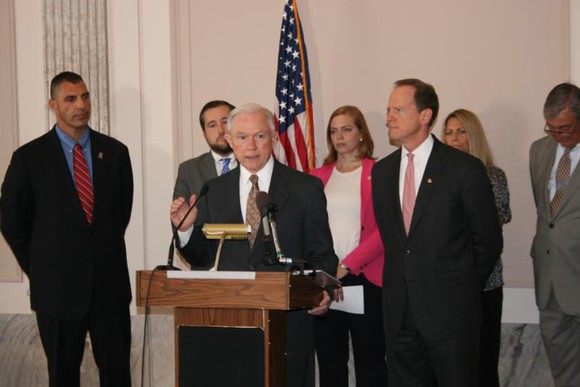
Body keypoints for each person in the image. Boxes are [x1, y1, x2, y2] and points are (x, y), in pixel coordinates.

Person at [170, 102, 338, 387]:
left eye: (259, 136)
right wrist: (185, 231)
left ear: (273, 138)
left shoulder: (305, 188)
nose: (251, 146)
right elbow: (202, 257)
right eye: (242, 137)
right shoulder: (214, 189)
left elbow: (322, 254)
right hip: (231, 326)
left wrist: (324, 291)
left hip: (288, 328)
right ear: (229, 141)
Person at [0, 71, 133, 387]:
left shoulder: (115, 153)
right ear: (53, 105)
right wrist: (41, 265)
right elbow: (11, 221)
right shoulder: (28, 158)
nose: (81, 105)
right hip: (56, 292)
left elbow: (118, 215)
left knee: (118, 376)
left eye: (85, 97)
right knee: (62, 376)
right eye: (71, 99)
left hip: (109, 289)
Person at [371, 78, 503, 386]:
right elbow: (395, 242)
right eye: (389, 109)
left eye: (399, 110)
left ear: (425, 115)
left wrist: (460, 288)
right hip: (399, 316)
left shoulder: (463, 168)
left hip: (451, 316)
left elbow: (488, 240)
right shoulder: (382, 172)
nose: (389, 116)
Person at [310, 105, 387, 387]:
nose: (339, 136)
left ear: (361, 133)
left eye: (346, 129)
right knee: (330, 359)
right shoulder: (316, 176)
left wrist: (346, 265)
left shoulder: (380, 173)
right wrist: (328, 270)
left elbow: (385, 231)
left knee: (371, 360)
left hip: (364, 277)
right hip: (325, 278)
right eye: (333, 131)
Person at [442, 109, 511, 387]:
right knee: (451, 364)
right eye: (448, 132)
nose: (455, 138)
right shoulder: (436, 178)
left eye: (461, 132)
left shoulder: (493, 176)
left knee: (484, 361)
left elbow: (498, 220)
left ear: (474, 136)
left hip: (486, 284)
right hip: (447, 285)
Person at [529, 82, 580, 387]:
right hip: (549, 281)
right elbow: (547, 214)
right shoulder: (539, 150)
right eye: (552, 129)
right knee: (563, 368)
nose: (560, 136)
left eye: (566, 128)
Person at [173, 100, 236, 200]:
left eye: (225, 122)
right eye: (212, 125)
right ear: (204, 133)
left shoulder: (253, 163)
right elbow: (181, 215)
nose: (221, 130)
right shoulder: (189, 170)